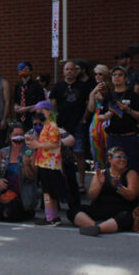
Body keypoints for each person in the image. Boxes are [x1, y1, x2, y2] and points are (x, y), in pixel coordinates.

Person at [71, 146, 139, 236]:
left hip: (121, 211)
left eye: (124, 157)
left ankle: (100, 229)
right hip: (101, 209)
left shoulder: (131, 173)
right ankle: (94, 225)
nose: (123, 160)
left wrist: (119, 186)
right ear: (110, 159)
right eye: (119, 157)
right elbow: (91, 196)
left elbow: (132, 196)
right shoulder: (101, 173)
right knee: (74, 210)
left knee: (128, 217)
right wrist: (100, 184)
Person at [27, 100, 72, 226]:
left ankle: (51, 217)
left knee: (49, 190)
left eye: (41, 111)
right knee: (47, 191)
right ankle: (51, 216)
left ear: (49, 111)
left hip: (50, 163)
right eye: (37, 112)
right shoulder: (46, 126)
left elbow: (55, 143)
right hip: (44, 162)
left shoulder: (52, 126)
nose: (39, 114)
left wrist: (38, 144)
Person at [51, 60, 95, 190]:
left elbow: (89, 104)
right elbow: (52, 105)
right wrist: (54, 122)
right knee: (62, 155)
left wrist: (84, 118)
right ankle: (65, 182)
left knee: (79, 153)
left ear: (76, 72)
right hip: (62, 125)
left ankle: (81, 183)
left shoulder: (83, 86)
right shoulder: (58, 87)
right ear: (63, 72)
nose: (69, 71)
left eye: (72, 69)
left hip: (78, 124)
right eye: (67, 69)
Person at [98, 65, 139, 174]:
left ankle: (131, 190)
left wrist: (129, 110)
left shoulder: (133, 96)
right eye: (114, 75)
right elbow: (100, 117)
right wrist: (105, 117)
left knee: (132, 168)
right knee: (112, 168)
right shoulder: (108, 96)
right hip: (113, 137)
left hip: (129, 137)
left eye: (120, 75)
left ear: (126, 78)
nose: (116, 77)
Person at [0, 124, 32, 222]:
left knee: (11, 214)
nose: (19, 137)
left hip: (22, 195)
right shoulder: (3, 152)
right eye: (16, 134)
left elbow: (31, 177)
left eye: (21, 134)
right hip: (6, 193)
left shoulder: (29, 152)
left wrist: (27, 165)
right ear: (10, 136)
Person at [12, 61, 45, 125]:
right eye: (21, 69)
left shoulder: (37, 86)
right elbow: (16, 101)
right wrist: (15, 107)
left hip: (33, 118)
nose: (23, 71)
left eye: (26, 69)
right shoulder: (18, 86)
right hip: (20, 118)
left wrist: (26, 109)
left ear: (31, 71)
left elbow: (41, 103)